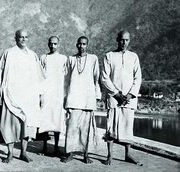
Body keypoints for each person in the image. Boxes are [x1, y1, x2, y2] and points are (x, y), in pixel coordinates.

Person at [0, 29, 45, 163]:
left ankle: (23, 152)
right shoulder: (8, 53)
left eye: (25, 37)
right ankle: (10, 153)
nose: (23, 39)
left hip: (29, 97)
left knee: (27, 127)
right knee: (9, 125)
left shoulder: (32, 55)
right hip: (11, 95)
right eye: (20, 37)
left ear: (28, 39)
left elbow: (39, 78)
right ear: (15, 38)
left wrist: (40, 95)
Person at [101, 30, 142, 166]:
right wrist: (117, 94)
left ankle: (128, 154)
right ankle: (110, 155)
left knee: (127, 126)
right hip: (114, 97)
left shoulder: (134, 57)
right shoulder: (109, 56)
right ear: (117, 40)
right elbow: (105, 78)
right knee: (111, 126)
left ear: (129, 41)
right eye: (122, 40)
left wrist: (130, 94)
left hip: (129, 99)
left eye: (127, 40)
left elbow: (138, 77)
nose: (124, 43)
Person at [61, 36, 101, 164]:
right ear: (76, 45)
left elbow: (96, 79)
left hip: (87, 99)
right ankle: (69, 154)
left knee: (85, 129)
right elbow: (66, 80)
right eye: (80, 44)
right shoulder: (71, 59)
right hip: (73, 98)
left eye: (84, 44)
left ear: (87, 45)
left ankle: (85, 155)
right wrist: (65, 97)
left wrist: (96, 96)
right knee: (71, 128)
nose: (82, 46)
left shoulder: (93, 59)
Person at [38, 36, 67, 155]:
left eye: (55, 44)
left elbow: (65, 77)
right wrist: (40, 94)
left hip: (58, 94)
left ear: (58, 44)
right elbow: (39, 76)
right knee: (45, 120)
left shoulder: (63, 58)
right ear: (48, 44)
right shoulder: (43, 57)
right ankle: (44, 147)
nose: (53, 46)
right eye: (51, 44)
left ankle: (56, 147)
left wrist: (64, 95)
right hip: (46, 93)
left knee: (57, 120)